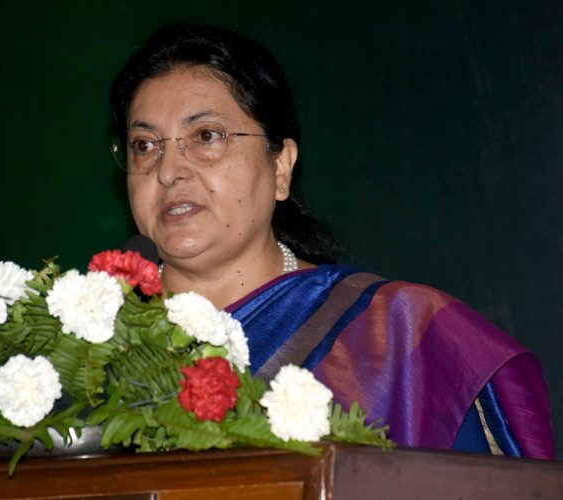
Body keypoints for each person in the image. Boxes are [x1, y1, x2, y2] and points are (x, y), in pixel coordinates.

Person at [109, 23, 555, 459]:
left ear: (281, 166)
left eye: (206, 136)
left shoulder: (401, 337)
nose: (168, 170)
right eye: (144, 145)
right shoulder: (89, 345)